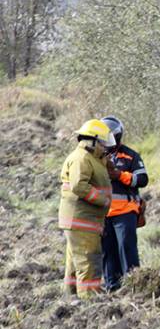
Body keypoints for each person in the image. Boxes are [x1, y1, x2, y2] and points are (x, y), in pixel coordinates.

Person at [58, 119, 115, 299]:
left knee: (75, 264)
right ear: (92, 141)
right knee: (89, 261)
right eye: (103, 142)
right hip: (82, 221)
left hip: (83, 220)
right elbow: (79, 186)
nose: (105, 146)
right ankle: (89, 299)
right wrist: (103, 200)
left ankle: (72, 298)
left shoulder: (92, 158)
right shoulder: (82, 158)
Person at [101, 116, 149, 292]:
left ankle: (134, 286)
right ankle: (111, 288)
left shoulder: (130, 155)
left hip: (125, 212)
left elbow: (143, 179)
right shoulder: (95, 156)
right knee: (108, 252)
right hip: (103, 214)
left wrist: (121, 175)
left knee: (127, 249)